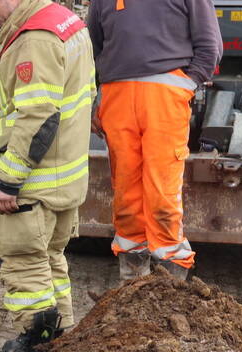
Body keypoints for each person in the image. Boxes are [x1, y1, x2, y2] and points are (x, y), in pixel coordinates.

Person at [0, 0, 96, 352]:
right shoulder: (65, 22)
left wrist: (8, 180)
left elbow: (37, 117)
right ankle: (62, 349)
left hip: (33, 183)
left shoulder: (35, 40)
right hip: (64, 176)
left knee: (23, 262)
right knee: (51, 261)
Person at [87, 0, 222, 280]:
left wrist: (185, 85)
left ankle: (169, 284)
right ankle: (132, 283)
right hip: (117, 97)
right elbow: (93, 46)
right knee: (125, 191)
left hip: (164, 98)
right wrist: (97, 96)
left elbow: (210, 46)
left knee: (162, 191)